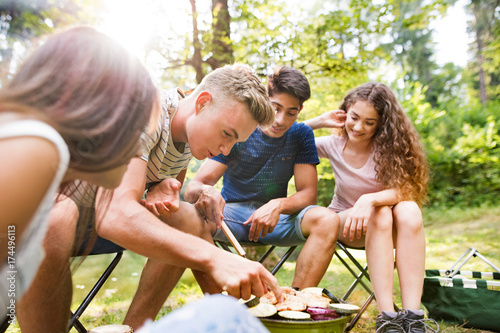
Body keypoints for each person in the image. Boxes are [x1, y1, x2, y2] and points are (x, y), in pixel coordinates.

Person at [16, 63, 281, 332]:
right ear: (202, 103)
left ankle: (135, 329)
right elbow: (115, 214)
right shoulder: (145, 111)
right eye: (227, 134)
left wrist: (161, 187)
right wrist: (215, 257)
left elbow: (159, 193)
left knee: (189, 219)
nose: (225, 149)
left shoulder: (189, 140)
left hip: (89, 219)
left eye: (235, 143)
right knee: (59, 213)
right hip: (29, 221)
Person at [0, 26, 156, 324]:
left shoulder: (46, 175)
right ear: (103, 113)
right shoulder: (37, 148)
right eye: (137, 126)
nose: (139, 146)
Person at [184, 66, 340, 290]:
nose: (280, 120)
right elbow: (195, 186)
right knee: (189, 217)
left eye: (291, 113)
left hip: (275, 221)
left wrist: (278, 204)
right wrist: (208, 192)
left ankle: (295, 307)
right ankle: (225, 310)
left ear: (300, 110)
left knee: (328, 219)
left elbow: (308, 194)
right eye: (275, 108)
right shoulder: (241, 128)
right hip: (231, 216)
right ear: (265, 99)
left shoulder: (301, 134)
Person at [303, 82, 438, 333]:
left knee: (407, 210)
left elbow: (407, 189)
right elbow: (283, 134)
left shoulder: (390, 148)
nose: (358, 127)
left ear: (381, 124)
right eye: (353, 117)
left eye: (369, 122)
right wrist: (319, 121)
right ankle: (387, 316)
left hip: (385, 227)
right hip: (344, 223)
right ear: (344, 113)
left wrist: (369, 199)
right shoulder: (332, 144)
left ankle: (413, 316)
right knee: (381, 213)